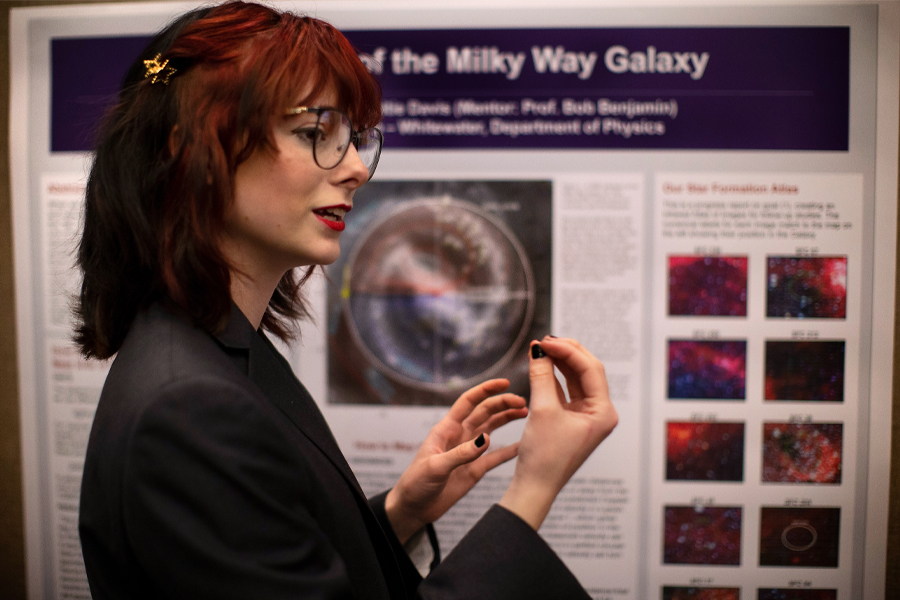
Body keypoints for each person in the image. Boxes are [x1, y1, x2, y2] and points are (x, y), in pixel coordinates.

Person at [75, 2, 619, 599]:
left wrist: (402, 511)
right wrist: (532, 491)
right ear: (189, 151)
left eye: (354, 139)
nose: (357, 169)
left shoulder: (221, 349)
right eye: (315, 134)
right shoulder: (190, 408)